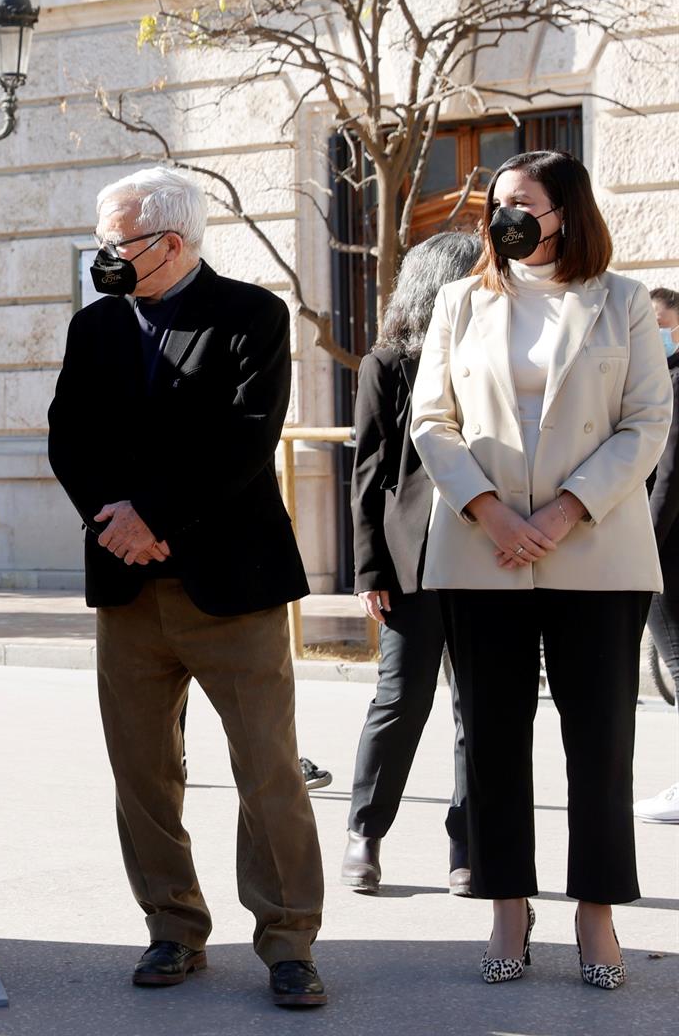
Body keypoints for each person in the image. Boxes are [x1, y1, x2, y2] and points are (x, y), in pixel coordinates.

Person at [47, 166, 326, 1008]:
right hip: (128, 590)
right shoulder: (94, 327)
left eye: (116, 242)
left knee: (267, 770)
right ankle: (172, 929)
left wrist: (152, 516)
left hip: (231, 584)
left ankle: (287, 941)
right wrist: (112, 519)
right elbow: (69, 434)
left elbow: (244, 442)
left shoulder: (251, 316)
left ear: (170, 242)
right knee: (142, 772)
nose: (104, 256)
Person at [409, 150, 670, 989]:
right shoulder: (460, 299)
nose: (503, 217)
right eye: (497, 204)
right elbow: (431, 419)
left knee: (600, 740)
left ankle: (596, 915)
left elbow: (646, 423)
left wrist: (563, 512)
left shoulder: (624, 302)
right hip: (481, 548)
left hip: (595, 549)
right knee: (490, 737)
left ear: (566, 211)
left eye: (522, 203)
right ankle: (507, 906)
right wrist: (491, 510)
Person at [341, 231, 479, 896]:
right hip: (413, 561)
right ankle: (363, 835)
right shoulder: (387, 362)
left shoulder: (494, 356)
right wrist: (370, 572)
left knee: (478, 711)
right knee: (401, 701)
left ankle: (469, 847)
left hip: (489, 556)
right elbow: (367, 469)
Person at [632, 285, 679, 824]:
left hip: (666, 550)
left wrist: (645, 546)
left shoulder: (671, 382)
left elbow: (668, 476)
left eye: (659, 323)